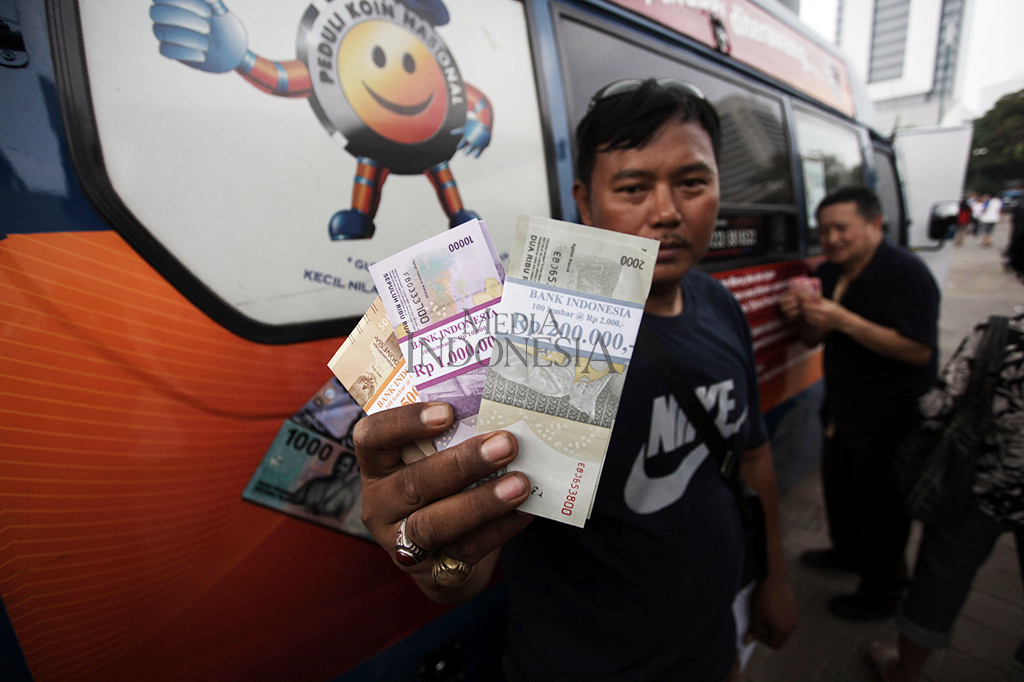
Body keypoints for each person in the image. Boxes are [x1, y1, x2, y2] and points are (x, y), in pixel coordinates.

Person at [352, 78, 798, 681]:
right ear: (586, 203)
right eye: (634, 187)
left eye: (692, 182)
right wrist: (439, 563)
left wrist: (773, 577)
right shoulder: (547, 334)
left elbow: (754, 460)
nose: (666, 211)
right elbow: (474, 559)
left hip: (714, 645)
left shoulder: (721, 307)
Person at [865, 225, 1024, 682]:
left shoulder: (1000, 339)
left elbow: (936, 405)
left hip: (977, 490)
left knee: (940, 580)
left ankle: (906, 669)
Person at [779, 187, 940, 620]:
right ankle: (846, 553)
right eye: (824, 230)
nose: (831, 238)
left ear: (874, 225)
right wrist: (800, 315)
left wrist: (843, 319)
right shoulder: (831, 273)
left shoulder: (906, 274)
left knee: (883, 510)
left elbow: (918, 350)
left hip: (890, 418)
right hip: (842, 409)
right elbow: (813, 338)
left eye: (841, 228)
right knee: (842, 490)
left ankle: (883, 592)